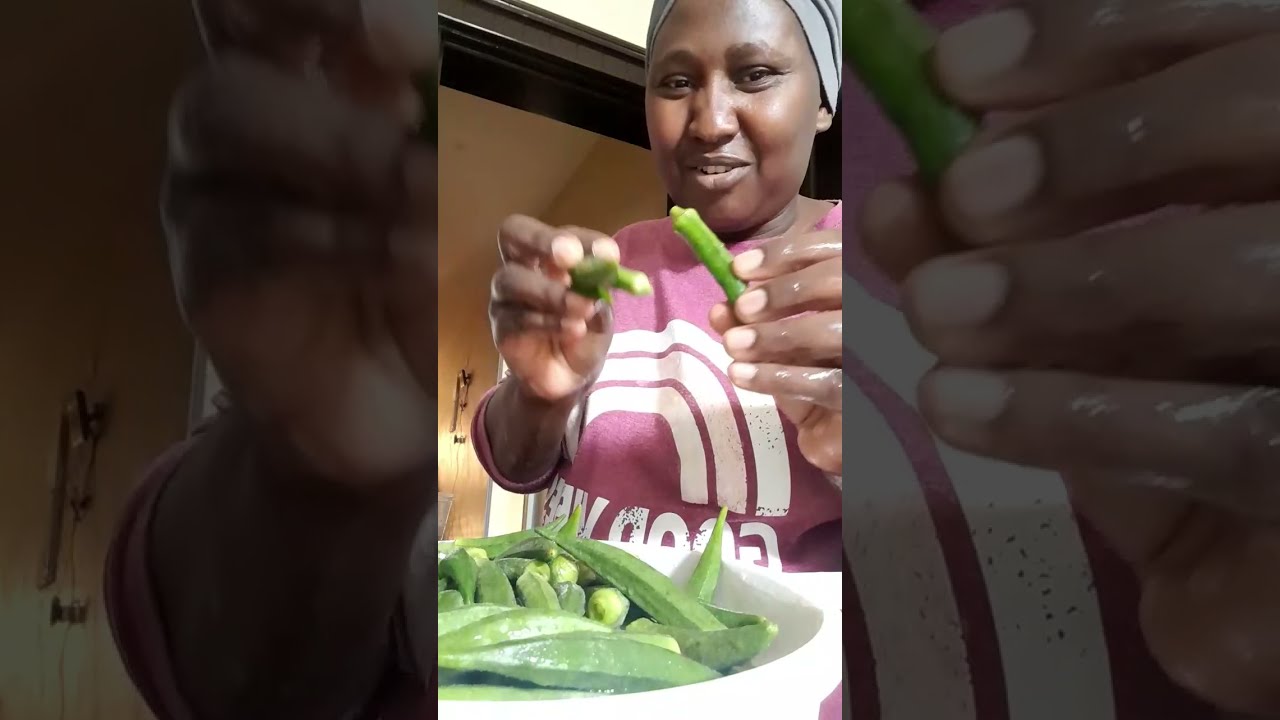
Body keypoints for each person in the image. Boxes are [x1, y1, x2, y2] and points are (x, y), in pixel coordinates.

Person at [101, 2, 1280, 720]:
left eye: (755, 74)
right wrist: (540, 401)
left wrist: (844, 444)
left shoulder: (878, 264)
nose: (706, 117)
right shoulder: (602, 258)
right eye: (674, 81)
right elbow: (509, 470)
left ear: (825, 103)